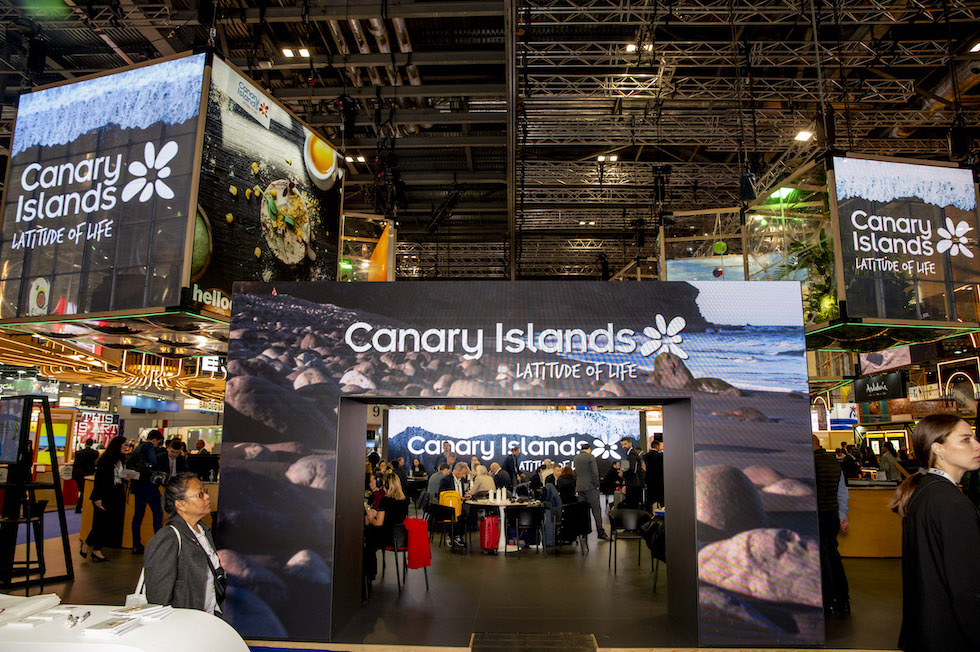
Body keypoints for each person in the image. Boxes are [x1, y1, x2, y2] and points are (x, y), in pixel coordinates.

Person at [890, 414, 980, 652]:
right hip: (951, 636)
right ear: (938, 449)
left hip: (926, 631)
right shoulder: (952, 504)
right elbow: (966, 587)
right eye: (965, 439)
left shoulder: (925, 491)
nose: (977, 444)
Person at [144, 473, 224, 615]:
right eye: (199, 494)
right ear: (180, 504)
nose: (206, 496)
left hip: (209, 618)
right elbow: (158, 599)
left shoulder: (204, 532)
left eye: (205, 491)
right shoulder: (168, 538)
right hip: (184, 625)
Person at [813, 434, 851, 617]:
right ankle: (843, 599)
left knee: (821, 558)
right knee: (833, 555)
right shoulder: (834, 463)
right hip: (832, 515)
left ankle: (827, 601)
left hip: (815, 516)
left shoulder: (809, 464)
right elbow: (842, 492)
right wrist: (843, 516)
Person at [81, 435, 126, 562]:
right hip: (105, 494)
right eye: (125, 445)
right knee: (101, 522)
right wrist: (98, 496)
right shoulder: (106, 459)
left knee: (107, 523)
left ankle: (95, 548)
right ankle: (91, 546)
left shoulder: (120, 459)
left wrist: (125, 478)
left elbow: (118, 476)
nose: (126, 447)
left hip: (116, 493)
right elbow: (100, 480)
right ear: (118, 445)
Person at [363, 474, 410, 584]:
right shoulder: (405, 501)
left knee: (367, 537)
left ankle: (370, 574)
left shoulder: (385, 501)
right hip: (400, 539)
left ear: (388, 486)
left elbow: (378, 523)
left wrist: (370, 517)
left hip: (386, 538)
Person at [130, 430, 166, 555]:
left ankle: (136, 544)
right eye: (158, 443)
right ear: (155, 439)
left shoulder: (138, 446)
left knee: (138, 516)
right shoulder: (150, 446)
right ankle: (159, 544)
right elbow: (153, 462)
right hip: (148, 485)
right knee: (157, 513)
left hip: (137, 485)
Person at [574, 443, 608, 540]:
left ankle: (584, 533)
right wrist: (597, 485)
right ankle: (600, 532)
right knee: (596, 510)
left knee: (583, 511)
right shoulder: (590, 457)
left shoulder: (576, 458)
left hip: (580, 487)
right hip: (590, 487)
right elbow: (595, 473)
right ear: (589, 449)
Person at [72, 438, 99, 514]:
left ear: (85, 443)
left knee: (82, 491)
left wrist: (73, 475)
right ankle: (79, 507)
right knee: (84, 491)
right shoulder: (95, 453)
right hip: (88, 474)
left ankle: (79, 507)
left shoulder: (78, 453)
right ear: (92, 444)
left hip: (78, 474)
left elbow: (75, 464)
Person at [620, 437, 643, 508]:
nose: (623, 446)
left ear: (630, 443)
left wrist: (623, 474)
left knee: (631, 506)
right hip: (635, 484)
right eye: (622, 444)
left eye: (625, 444)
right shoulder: (632, 454)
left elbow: (632, 469)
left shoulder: (631, 455)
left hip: (632, 485)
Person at [643, 439, 665, 511]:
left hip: (649, 480)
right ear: (657, 446)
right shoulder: (660, 456)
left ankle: (648, 513)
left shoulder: (645, 456)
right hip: (658, 480)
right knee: (660, 498)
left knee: (649, 498)